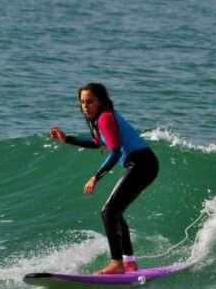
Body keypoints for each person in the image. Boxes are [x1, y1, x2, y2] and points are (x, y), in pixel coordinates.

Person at [50, 83, 159, 274]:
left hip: (142, 163)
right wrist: (67, 139)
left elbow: (115, 151)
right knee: (114, 213)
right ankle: (129, 262)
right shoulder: (100, 118)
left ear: (100, 101)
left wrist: (95, 177)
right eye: (82, 102)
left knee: (108, 212)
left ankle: (117, 263)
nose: (85, 106)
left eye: (90, 101)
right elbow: (98, 143)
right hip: (144, 164)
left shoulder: (105, 117)